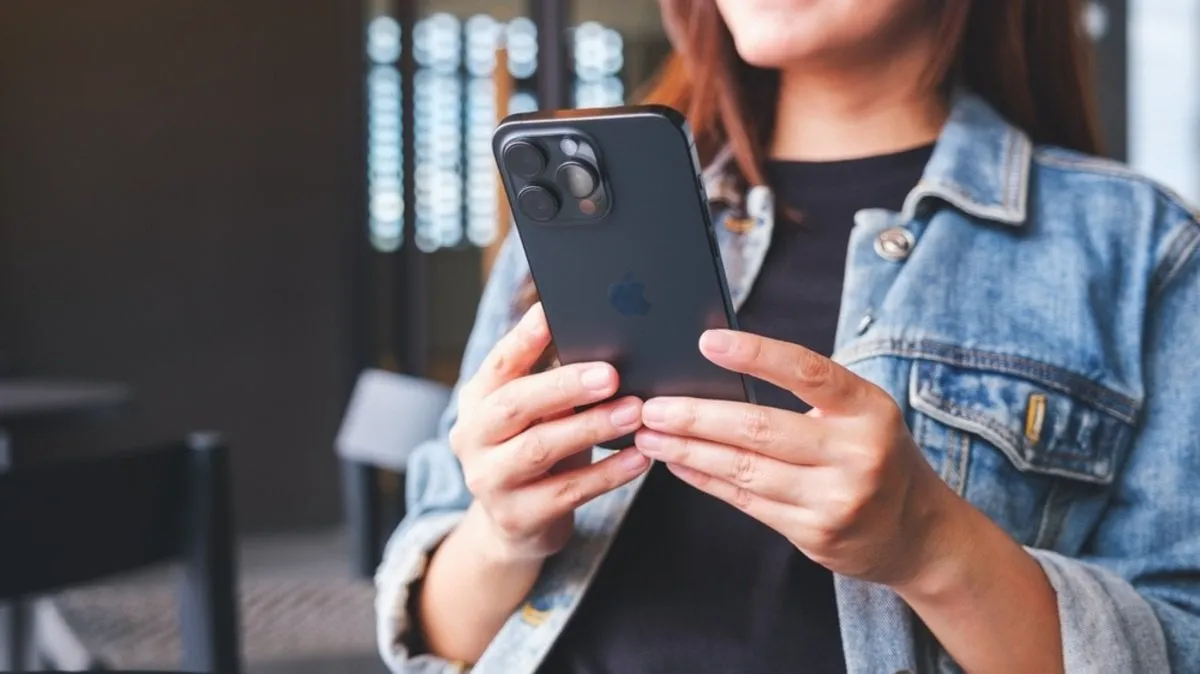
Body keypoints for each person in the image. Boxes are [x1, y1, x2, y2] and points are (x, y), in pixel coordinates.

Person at [375, 1, 1200, 672]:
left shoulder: (1139, 249)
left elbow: (1179, 644)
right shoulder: (567, 238)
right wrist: (505, 533)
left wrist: (933, 544)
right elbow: (437, 635)